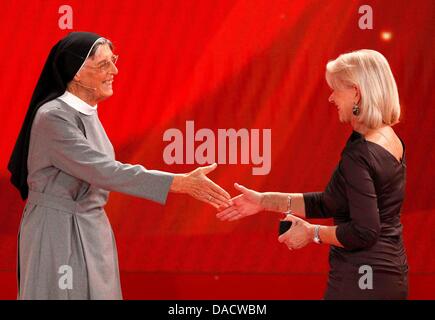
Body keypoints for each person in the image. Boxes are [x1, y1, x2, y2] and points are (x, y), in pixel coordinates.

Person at [8, 32, 231, 300]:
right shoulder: (53, 118)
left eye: (113, 60)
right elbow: (104, 171)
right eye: (104, 64)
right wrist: (179, 182)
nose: (114, 70)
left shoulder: (86, 112)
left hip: (91, 226)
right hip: (58, 229)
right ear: (77, 73)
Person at [217, 49, 408, 300]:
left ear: (357, 93)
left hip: (360, 282)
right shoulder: (387, 139)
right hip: (389, 276)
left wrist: (311, 233)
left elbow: (364, 231)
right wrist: (264, 201)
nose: (331, 98)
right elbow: (331, 202)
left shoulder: (359, 154)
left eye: (336, 89)